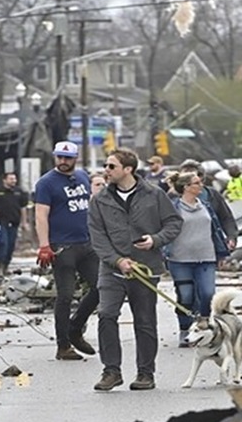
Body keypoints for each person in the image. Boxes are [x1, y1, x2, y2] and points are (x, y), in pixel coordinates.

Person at [88, 148, 182, 391]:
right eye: (106, 166)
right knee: (106, 315)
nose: (106, 171)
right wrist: (117, 260)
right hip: (112, 269)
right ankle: (111, 371)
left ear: (128, 169)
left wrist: (156, 239)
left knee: (145, 320)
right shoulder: (100, 200)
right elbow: (97, 237)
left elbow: (173, 223)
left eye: (111, 166)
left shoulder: (154, 194)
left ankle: (145, 373)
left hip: (145, 267)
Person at [34, 141, 99, 361]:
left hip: (86, 243)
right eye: (59, 157)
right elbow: (41, 215)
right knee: (65, 295)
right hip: (62, 246)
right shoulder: (46, 183)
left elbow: (89, 207)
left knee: (101, 286)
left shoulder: (82, 177)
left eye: (67, 158)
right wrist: (44, 245)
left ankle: (75, 327)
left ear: (75, 158)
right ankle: (63, 346)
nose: (63, 161)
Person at [167, 171, 228, 347]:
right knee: (186, 296)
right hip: (180, 259)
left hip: (206, 257)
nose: (201, 185)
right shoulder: (173, 207)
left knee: (208, 293)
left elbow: (215, 231)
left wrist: (221, 253)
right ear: (186, 187)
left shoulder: (206, 206)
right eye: (196, 183)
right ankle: (185, 329)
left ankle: (203, 328)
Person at [0, 172, 29, 275]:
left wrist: (24, 222)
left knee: (11, 244)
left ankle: (6, 265)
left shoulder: (19, 192)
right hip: (1, 222)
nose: (13, 181)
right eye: (11, 179)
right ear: (4, 180)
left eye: (14, 179)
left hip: (14, 222)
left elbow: (23, 208)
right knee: (3, 242)